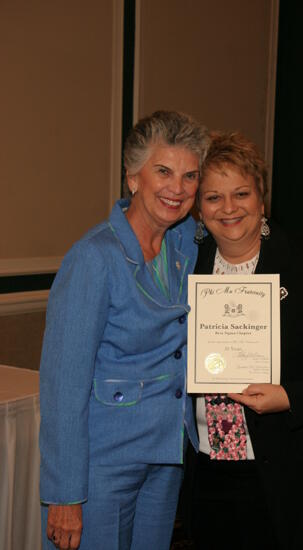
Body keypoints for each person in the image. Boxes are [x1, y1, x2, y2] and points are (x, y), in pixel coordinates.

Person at [187, 131, 303, 549]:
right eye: (213, 197)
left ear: (261, 199)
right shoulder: (186, 267)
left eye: (241, 193)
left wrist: (291, 396)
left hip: (291, 470)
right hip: (207, 471)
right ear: (199, 208)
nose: (228, 208)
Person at [39, 110, 210, 550]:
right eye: (164, 171)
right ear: (133, 178)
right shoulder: (94, 258)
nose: (178, 188)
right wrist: (65, 495)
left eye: (190, 176)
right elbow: (63, 386)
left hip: (168, 454)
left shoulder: (187, 242)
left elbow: (244, 228)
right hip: (103, 464)